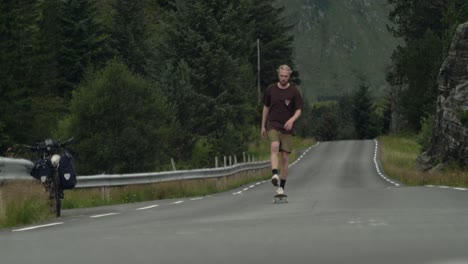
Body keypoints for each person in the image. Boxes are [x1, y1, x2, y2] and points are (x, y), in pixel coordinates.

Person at [261, 64, 303, 195]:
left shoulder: (294, 91)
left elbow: (299, 110)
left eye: (286, 76)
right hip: (272, 124)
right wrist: (262, 126)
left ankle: (281, 188)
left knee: (285, 157)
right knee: (274, 146)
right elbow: (266, 108)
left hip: (287, 128)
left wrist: (291, 120)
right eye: (281, 76)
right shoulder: (271, 90)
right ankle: (274, 174)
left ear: (289, 76)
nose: (283, 78)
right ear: (278, 75)